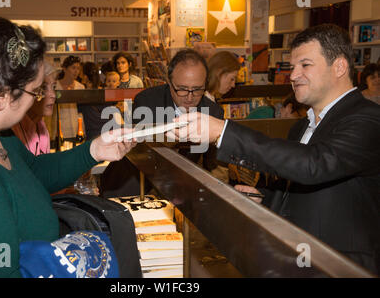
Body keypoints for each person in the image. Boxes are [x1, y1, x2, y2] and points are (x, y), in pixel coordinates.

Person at [0, 15, 135, 277]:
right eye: (36, 91)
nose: (38, 99)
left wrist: (94, 150)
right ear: (2, 95)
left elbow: (33, 173)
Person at [170, 24, 380, 274]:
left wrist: (223, 132)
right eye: (293, 67)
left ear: (340, 66)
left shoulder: (369, 119)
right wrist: (264, 199)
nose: (293, 75)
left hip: (339, 266)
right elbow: (296, 184)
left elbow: (314, 165)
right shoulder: (301, 127)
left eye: (305, 65)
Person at [101, 49, 224, 197]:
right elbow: (143, 154)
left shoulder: (213, 113)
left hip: (180, 192)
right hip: (131, 186)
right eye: (182, 89)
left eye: (197, 89)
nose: (189, 97)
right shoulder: (147, 101)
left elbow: (211, 164)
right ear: (169, 83)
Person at [10, 61, 57, 155]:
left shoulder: (42, 127)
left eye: (54, 87)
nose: (53, 95)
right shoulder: (11, 130)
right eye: (43, 88)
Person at [50, 55, 85, 144]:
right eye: (73, 68)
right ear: (65, 69)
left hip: (76, 128)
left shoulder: (80, 87)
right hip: (58, 129)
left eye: (78, 68)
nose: (76, 71)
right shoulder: (55, 86)